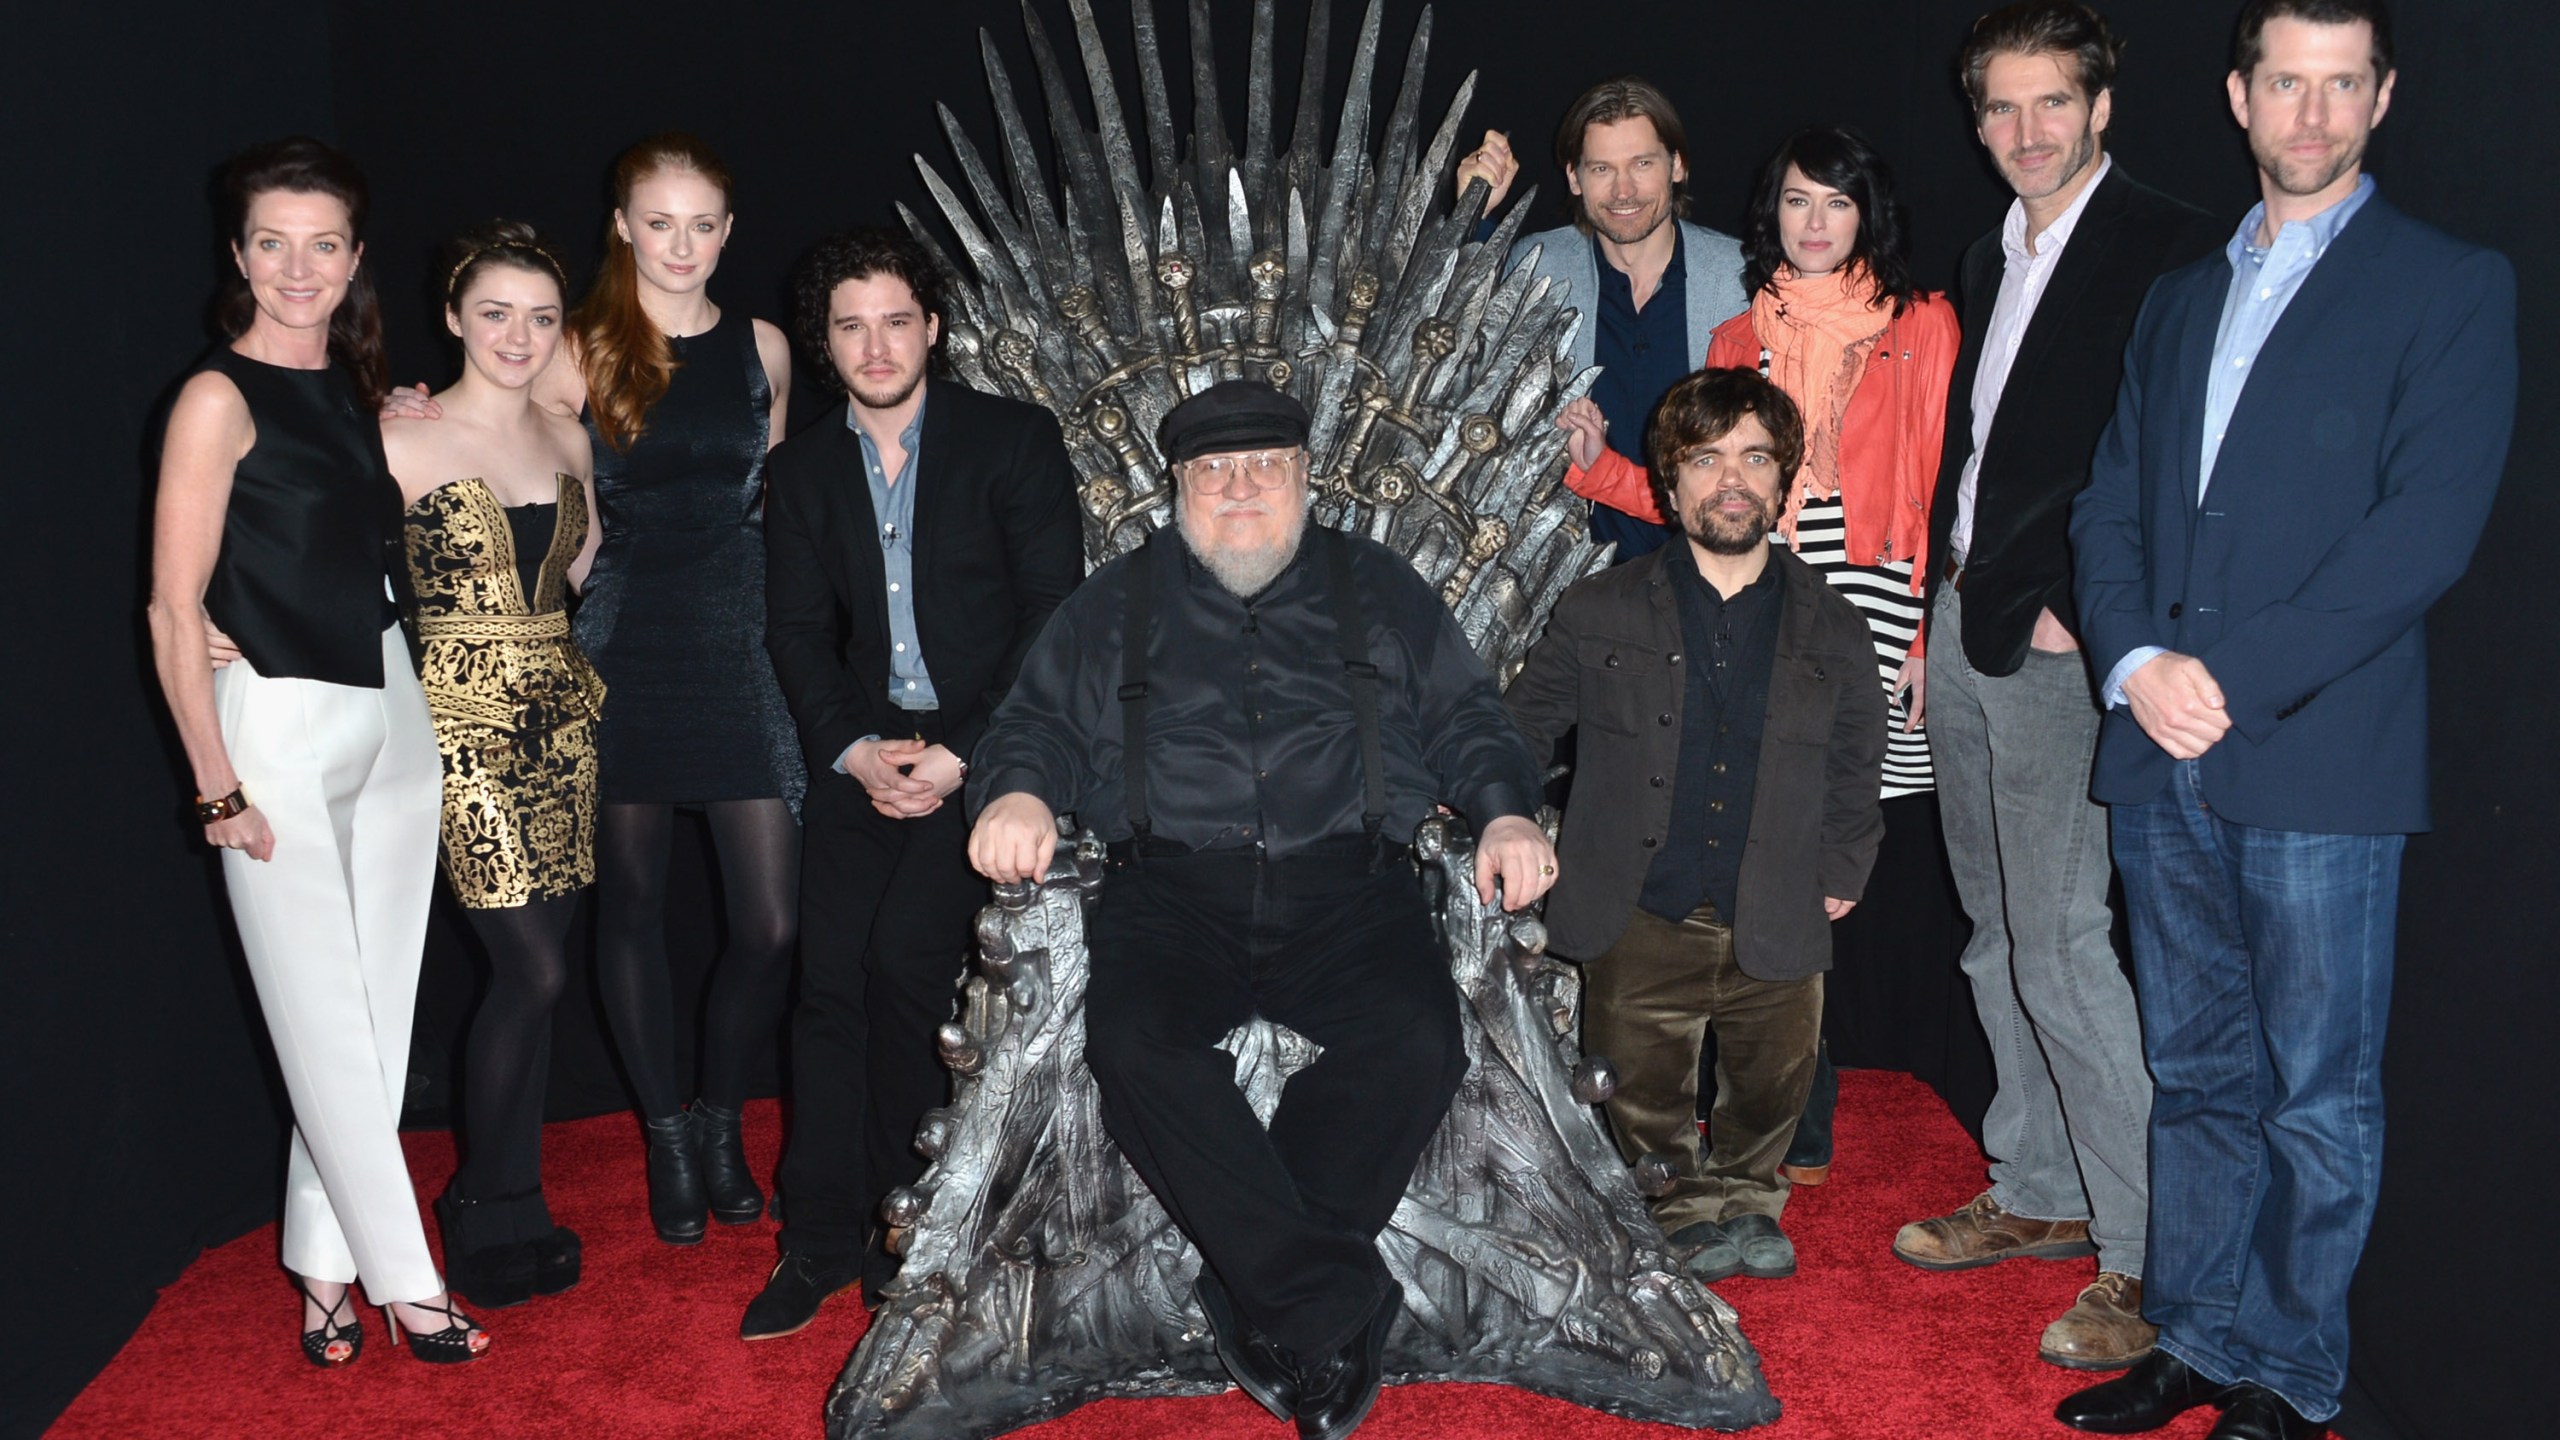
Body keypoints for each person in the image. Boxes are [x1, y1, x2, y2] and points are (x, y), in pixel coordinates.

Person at [2058, 4, 2515, 1436]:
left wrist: (2229, 680)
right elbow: (2109, 504)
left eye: (2341, 87)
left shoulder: (2450, 285)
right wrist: (2132, 660)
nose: (2309, 116)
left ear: (2381, 100)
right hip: (2156, 743)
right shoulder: (2184, 295)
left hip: (2317, 753)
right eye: (2285, 85)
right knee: (2196, 1075)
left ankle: (2288, 1370)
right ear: (2240, 97)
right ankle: (2193, 1335)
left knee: (2316, 1098)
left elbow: (2422, 538)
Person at [966, 381, 1557, 1440]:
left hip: (1350, 888)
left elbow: (1467, 716)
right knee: (1135, 1045)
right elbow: (1035, 724)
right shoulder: (1117, 601)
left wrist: (1507, 814)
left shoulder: (1375, 587)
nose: (1239, 489)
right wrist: (1014, 792)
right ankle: (1328, 1304)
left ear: (1303, 477)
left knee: (1418, 1043)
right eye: (1213, 472)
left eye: (1263, 468)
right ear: (1179, 487)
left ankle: (1266, 1296)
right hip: (1171, 891)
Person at [1893, 0, 2222, 1375]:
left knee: (2066, 947)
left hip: (2058, 648)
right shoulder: (1988, 251)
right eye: (2001, 109)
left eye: (2052, 104)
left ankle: (2146, 1261)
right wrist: (1932, 597)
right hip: (1965, 620)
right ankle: (2039, 1186)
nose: (2025, 132)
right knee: (1991, 932)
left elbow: (2188, 457)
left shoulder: (2171, 245)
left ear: (2101, 107)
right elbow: (1980, 450)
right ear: (1978, 121)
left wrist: (2099, 617)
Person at [1567, 126, 1963, 1184]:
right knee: (1751, 820)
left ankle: (1796, 1092)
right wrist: (1592, 469)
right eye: (1796, 202)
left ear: (1865, 213)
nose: (1816, 221)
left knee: (1833, 837)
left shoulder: (1922, 324)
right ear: (1771, 215)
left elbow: (1932, 478)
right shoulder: (1741, 333)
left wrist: (1924, 631)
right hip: (1767, 594)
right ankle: (1771, 1100)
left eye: (1836, 202)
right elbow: (1707, 485)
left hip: (1873, 597)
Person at [146, 137, 485, 1364]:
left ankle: (324, 1264)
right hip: (274, 728)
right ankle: (407, 1282)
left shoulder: (353, 389)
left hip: (393, 710)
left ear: (352, 261)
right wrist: (214, 788)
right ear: (240, 257)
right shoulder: (213, 398)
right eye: (274, 243)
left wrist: (397, 413)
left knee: (375, 1013)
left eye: (324, 243)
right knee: (320, 1016)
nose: (300, 266)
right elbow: (172, 611)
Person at [746, 228, 1083, 1340]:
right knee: (825, 983)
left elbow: (1051, 617)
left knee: (901, 970)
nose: (876, 344)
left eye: (896, 320)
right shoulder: (798, 469)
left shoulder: (1013, 441)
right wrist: (851, 751)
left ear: (933, 327)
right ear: (825, 341)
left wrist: (963, 753)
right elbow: (795, 631)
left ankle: (907, 1228)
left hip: (990, 757)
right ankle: (818, 1237)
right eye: (851, 325)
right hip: (863, 750)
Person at [1506, 368, 1886, 1283]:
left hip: (1781, 891)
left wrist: (1843, 862)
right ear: (1669, 484)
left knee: (1772, 1079)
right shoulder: (1601, 607)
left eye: (1756, 458)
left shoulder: (1833, 624)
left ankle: (1752, 1197)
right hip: (1641, 900)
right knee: (1643, 1083)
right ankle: (1676, 1201)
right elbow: (1519, 725)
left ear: (1782, 479)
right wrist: (1502, 814)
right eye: (1706, 459)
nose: (1732, 481)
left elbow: (1854, 760)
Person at [561, 133, 803, 1245]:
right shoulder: (576, 352)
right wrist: (417, 406)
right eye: (659, 222)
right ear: (622, 226)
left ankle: (718, 1116)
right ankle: (663, 1129)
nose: (681, 244)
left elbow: (786, 509)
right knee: (635, 908)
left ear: (728, 230)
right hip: (622, 645)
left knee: (766, 922)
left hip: (741, 642)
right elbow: (505, 457)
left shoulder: (761, 347)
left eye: (702, 223)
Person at [385, 221, 606, 1309]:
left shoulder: (569, 438)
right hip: (459, 726)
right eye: (493, 313)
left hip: (562, 724)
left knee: (541, 975)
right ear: (451, 318)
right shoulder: (398, 441)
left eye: (540, 316)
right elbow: (309, 557)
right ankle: (484, 1197)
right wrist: (226, 627)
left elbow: (580, 569)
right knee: (534, 970)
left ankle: (511, 1195)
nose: (517, 335)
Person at [1454, 77, 1749, 564]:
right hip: (1564, 581)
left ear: (1677, 166)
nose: (1624, 190)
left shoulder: (1739, 280)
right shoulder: (1538, 265)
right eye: (1601, 169)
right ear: (1574, 178)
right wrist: (1473, 214)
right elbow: (1451, 352)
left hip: (1707, 572)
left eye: (1642, 163)